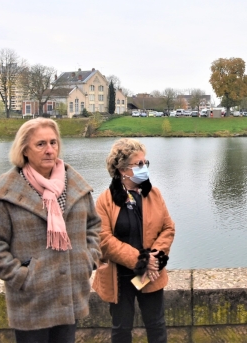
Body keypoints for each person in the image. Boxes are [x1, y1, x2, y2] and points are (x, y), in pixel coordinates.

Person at [0, 118, 102, 343]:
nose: (49, 150)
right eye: (41, 144)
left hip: (69, 295)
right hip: (31, 301)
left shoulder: (75, 185)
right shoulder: (9, 191)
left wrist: (88, 259)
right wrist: (22, 277)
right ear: (24, 150)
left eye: (53, 143)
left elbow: (94, 226)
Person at [92, 138, 175, 343]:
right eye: (139, 164)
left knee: (156, 326)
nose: (144, 168)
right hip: (119, 275)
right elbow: (103, 240)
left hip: (151, 273)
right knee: (121, 329)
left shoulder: (154, 194)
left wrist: (155, 257)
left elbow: (168, 227)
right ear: (122, 170)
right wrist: (140, 260)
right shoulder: (105, 200)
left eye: (145, 163)